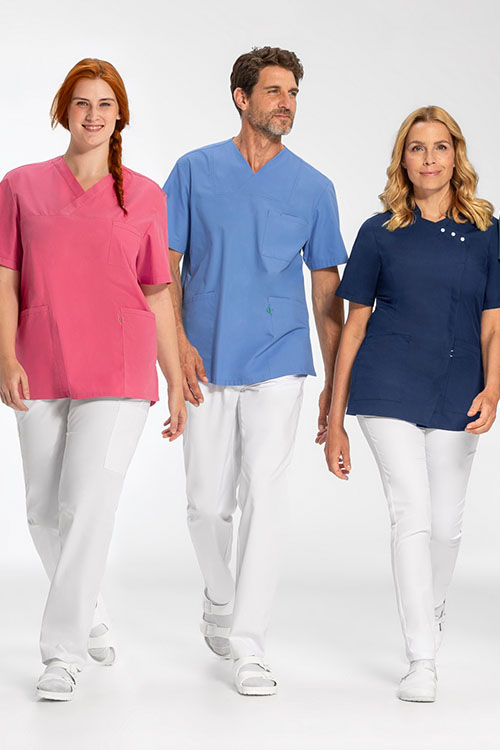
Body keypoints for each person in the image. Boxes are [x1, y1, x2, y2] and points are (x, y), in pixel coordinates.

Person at [0, 58, 186, 701]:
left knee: (85, 505)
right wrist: (5, 356)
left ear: (120, 116)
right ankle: (90, 612)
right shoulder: (20, 186)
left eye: (106, 104)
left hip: (118, 366)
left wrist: (174, 375)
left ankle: (62, 652)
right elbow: (5, 277)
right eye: (82, 102)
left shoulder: (146, 195)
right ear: (64, 111)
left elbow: (157, 291)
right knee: (41, 511)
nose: (93, 114)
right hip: (40, 358)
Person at [163, 46, 347, 696]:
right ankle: (220, 597)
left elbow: (327, 294)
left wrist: (334, 386)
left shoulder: (314, 187)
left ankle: (249, 645)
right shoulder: (193, 171)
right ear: (241, 98)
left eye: (293, 93)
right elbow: (164, 268)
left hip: (281, 360)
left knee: (266, 500)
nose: (286, 103)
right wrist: (176, 344)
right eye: (274, 91)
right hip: (206, 358)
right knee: (206, 505)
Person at [322, 106, 500, 702]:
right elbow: (354, 326)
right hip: (388, 383)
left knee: (446, 527)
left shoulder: (489, 231)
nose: (429, 158)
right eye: (417, 147)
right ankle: (421, 658)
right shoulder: (379, 232)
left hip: (459, 385)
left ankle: (432, 606)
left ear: (456, 155)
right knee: (413, 516)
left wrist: (493, 386)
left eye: (440, 146)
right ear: (403, 158)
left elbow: (494, 323)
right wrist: (335, 418)